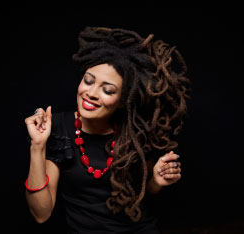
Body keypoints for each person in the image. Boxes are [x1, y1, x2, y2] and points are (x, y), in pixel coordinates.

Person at [24, 27, 191, 234]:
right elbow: (41, 214)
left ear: (123, 101)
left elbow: (141, 193)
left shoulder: (135, 130)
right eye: (88, 80)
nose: (91, 93)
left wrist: (156, 181)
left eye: (108, 90)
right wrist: (38, 145)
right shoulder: (58, 127)